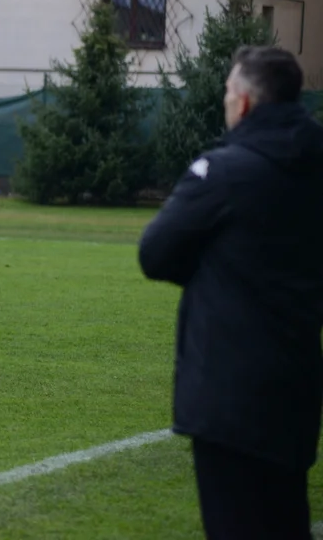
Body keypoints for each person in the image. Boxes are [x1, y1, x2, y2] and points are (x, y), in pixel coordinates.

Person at [138, 46, 323, 540]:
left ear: (242, 103)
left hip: (230, 389)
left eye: (226, 92)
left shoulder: (226, 169)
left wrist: (218, 273)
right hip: (297, 383)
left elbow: (155, 253)